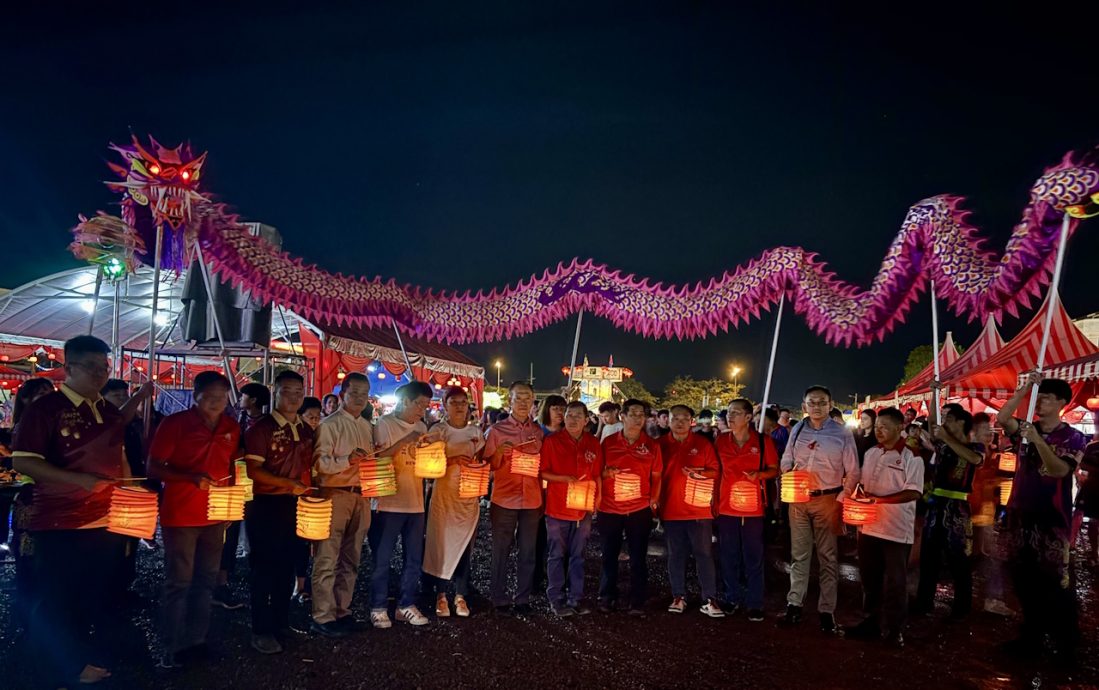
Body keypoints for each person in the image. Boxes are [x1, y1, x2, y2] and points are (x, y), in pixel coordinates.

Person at [12, 336, 127, 687]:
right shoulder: (45, 409)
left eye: (104, 368)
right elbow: (22, 461)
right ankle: (56, 669)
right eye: (91, 367)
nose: (99, 374)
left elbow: (117, 457)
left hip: (103, 518)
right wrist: (77, 480)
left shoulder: (106, 410)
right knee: (56, 597)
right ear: (70, 367)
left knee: (89, 593)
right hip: (59, 520)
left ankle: (79, 659)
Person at [147, 371, 241, 668]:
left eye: (221, 398)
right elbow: (153, 467)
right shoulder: (175, 424)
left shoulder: (230, 427)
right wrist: (189, 478)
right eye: (209, 397)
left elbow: (231, 466)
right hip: (181, 515)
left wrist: (231, 502)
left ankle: (197, 641)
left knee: (206, 581)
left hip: (215, 513)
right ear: (195, 395)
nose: (215, 403)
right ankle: (171, 646)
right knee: (179, 581)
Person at [996, 374, 1087, 665]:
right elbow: (1003, 417)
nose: (1041, 402)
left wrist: (1038, 441)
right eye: (1040, 396)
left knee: (1055, 584)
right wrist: (1024, 390)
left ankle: (1066, 644)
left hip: (1051, 519)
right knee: (1023, 580)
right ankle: (1031, 636)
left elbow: (1060, 470)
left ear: (1062, 402)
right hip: (1020, 514)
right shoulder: (1026, 429)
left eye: (1046, 397)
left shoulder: (1074, 437)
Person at [243, 371, 314, 655]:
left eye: (299, 391)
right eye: (287, 391)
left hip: (294, 504)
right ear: (275, 392)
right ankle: (260, 630)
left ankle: (281, 622)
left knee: (287, 566)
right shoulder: (261, 429)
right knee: (263, 569)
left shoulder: (306, 429)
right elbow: (252, 470)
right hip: (265, 504)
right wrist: (288, 483)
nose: (294, 397)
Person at [779, 385, 859, 634]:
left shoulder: (841, 433)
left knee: (827, 556)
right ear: (804, 405)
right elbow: (786, 458)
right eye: (811, 402)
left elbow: (853, 470)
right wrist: (788, 470)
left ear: (829, 404)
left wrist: (842, 497)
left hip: (828, 499)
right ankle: (794, 605)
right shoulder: (798, 429)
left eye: (821, 402)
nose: (816, 406)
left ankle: (827, 611)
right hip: (799, 499)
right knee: (799, 555)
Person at [846, 407, 923, 647]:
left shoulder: (912, 456)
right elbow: (863, 485)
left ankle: (895, 629)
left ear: (900, 428)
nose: (879, 431)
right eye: (877, 426)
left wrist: (881, 500)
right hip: (869, 527)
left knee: (896, 582)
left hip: (896, 531)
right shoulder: (871, 453)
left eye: (884, 427)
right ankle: (871, 621)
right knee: (870, 578)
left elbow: (914, 492)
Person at [309, 373, 374, 638]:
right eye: (354, 392)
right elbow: (319, 465)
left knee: (352, 557)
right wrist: (348, 460)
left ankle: (342, 610)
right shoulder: (329, 425)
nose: (359, 398)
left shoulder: (367, 427)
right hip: (335, 494)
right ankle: (322, 615)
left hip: (361, 496)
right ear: (342, 394)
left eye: (364, 393)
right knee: (328, 556)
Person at [369, 381, 432, 627]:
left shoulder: (422, 426)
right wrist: (408, 440)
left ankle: (406, 604)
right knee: (382, 558)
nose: (422, 411)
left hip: (416, 502)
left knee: (413, 558)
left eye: (426, 406)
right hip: (387, 503)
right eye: (419, 404)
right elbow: (379, 458)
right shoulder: (384, 424)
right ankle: (378, 606)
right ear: (404, 400)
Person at [913, 406, 982, 618]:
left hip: (958, 508)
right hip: (936, 504)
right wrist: (934, 394)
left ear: (961, 422)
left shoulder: (975, 446)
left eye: (949, 419)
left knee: (959, 560)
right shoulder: (941, 444)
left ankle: (961, 608)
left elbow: (974, 459)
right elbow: (934, 428)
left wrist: (946, 438)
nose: (943, 424)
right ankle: (924, 602)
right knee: (929, 557)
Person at [423, 386, 485, 619]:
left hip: (468, 496)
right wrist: (451, 460)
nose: (459, 406)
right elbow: (427, 464)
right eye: (454, 402)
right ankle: (440, 594)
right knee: (441, 543)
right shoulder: (438, 430)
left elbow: (482, 460)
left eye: (463, 402)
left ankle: (460, 594)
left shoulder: (476, 433)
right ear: (445, 404)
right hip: (444, 496)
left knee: (464, 545)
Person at [715, 399, 779, 621]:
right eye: (728, 413)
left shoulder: (763, 442)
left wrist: (758, 475)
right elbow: (715, 470)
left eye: (736, 413)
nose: (730, 417)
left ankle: (755, 602)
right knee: (728, 555)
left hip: (753, 509)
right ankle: (731, 598)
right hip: (726, 507)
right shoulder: (721, 441)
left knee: (754, 556)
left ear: (749, 418)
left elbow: (774, 470)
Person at [484, 380, 545, 615]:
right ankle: (499, 597)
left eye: (527, 398)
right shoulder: (497, 431)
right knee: (501, 549)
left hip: (531, 499)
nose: (522, 403)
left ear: (532, 402)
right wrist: (499, 452)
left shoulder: (537, 432)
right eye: (518, 398)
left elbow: (540, 468)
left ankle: (522, 598)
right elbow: (489, 466)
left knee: (528, 551)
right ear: (509, 400)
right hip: (504, 498)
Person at [598, 398, 662, 614]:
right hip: (610, 508)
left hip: (638, 509)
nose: (637, 418)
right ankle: (607, 596)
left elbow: (657, 475)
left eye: (641, 415)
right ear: (622, 416)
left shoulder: (652, 446)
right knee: (609, 554)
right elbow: (598, 471)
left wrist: (653, 501)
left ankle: (637, 599)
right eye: (632, 413)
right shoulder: (608, 443)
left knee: (637, 556)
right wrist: (606, 474)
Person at [658, 404, 723, 617]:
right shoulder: (660, 445)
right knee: (676, 554)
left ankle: (710, 598)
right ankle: (679, 595)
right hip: (671, 509)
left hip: (699, 510)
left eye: (684, 418)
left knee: (704, 554)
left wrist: (699, 473)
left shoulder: (702, 444)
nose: (679, 422)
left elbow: (715, 472)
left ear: (691, 421)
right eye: (675, 417)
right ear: (667, 420)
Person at [540, 400, 602, 616]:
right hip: (557, 508)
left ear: (586, 420)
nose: (573, 419)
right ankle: (555, 598)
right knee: (556, 554)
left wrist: (598, 500)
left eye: (578, 416)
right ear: (563, 418)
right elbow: (542, 473)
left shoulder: (593, 444)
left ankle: (576, 597)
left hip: (583, 509)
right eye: (569, 415)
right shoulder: (552, 442)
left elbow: (596, 475)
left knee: (579, 555)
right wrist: (564, 479)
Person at [213, 382, 271, 610]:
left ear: (253, 400)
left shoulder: (264, 425)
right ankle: (222, 581)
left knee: (256, 532)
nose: (239, 399)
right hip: (234, 484)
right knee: (230, 532)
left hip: (256, 485)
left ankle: (254, 574)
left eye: (243, 395)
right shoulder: (235, 420)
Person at [8, 377, 55, 627]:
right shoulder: (27, 425)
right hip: (32, 494)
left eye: (50, 392)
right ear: (26, 399)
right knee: (29, 551)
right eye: (41, 393)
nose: (48, 397)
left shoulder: (48, 421)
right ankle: (29, 605)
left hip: (46, 494)